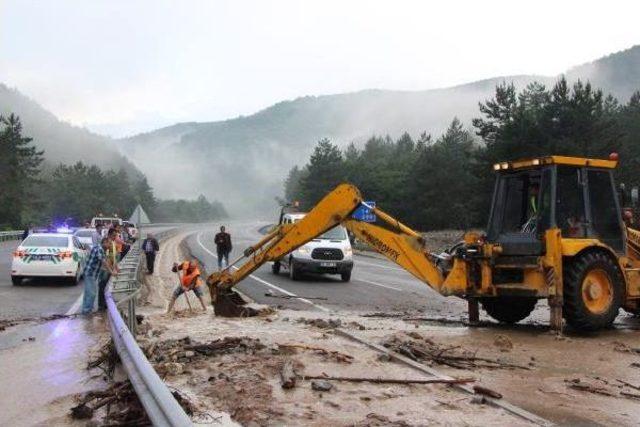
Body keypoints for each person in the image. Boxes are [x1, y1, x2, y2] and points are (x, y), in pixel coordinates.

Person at [82, 237, 117, 314]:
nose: (110, 246)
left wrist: (112, 269)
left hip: (92, 274)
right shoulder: (99, 249)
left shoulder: (101, 249)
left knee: (88, 293)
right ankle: (87, 311)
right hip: (90, 273)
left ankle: (86, 310)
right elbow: (104, 262)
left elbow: (105, 262)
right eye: (109, 244)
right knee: (91, 293)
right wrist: (111, 272)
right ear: (104, 242)